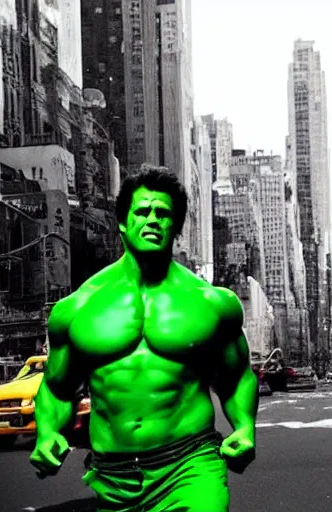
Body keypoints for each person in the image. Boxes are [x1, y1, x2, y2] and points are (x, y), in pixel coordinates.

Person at [30, 169, 258, 511]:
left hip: (190, 464)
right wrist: (47, 433)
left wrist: (244, 428)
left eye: (163, 214)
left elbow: (237, 377)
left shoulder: (211, 303)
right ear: (122, 223)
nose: (152, 220)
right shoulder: (77, 309)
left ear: (177, 227)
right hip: (113, 477)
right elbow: (57, 389)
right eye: (142, 212)